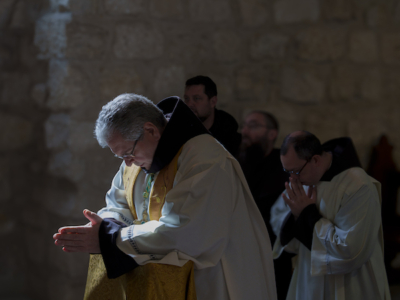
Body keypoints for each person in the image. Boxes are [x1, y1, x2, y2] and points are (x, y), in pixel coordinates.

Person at [53, 93, 277, 300]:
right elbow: (117, 203)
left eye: (128, 153)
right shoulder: (135, 157)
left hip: (212, 278)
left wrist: (112, 239)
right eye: (120, 156)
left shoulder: (204, 158)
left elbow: (186, 232)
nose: (127, 163)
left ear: (151, 130)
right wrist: (106, 226)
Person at [270, 131, 391, 300]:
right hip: (308, 278)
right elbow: (277, 215)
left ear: (316, 160)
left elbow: (350, 250)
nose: (292, 178)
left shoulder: (358, 186)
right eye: (287, 171)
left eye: (295, 171)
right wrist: (297, 216)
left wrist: (307, 215)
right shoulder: (303, 178)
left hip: (349, 285)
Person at [237, 111, 292, 300]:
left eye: (252, 126)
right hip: (241, 250)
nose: (244, 131)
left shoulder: (284, 167)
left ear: (272, 133)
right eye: (244, 125)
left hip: (273, 252)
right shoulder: (238, 162)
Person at [183, 75, 241, 155]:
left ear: (212, 102)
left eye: (197, 98)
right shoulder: (181, 128)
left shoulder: (228, 134)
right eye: (186, 99)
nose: (189, 104)